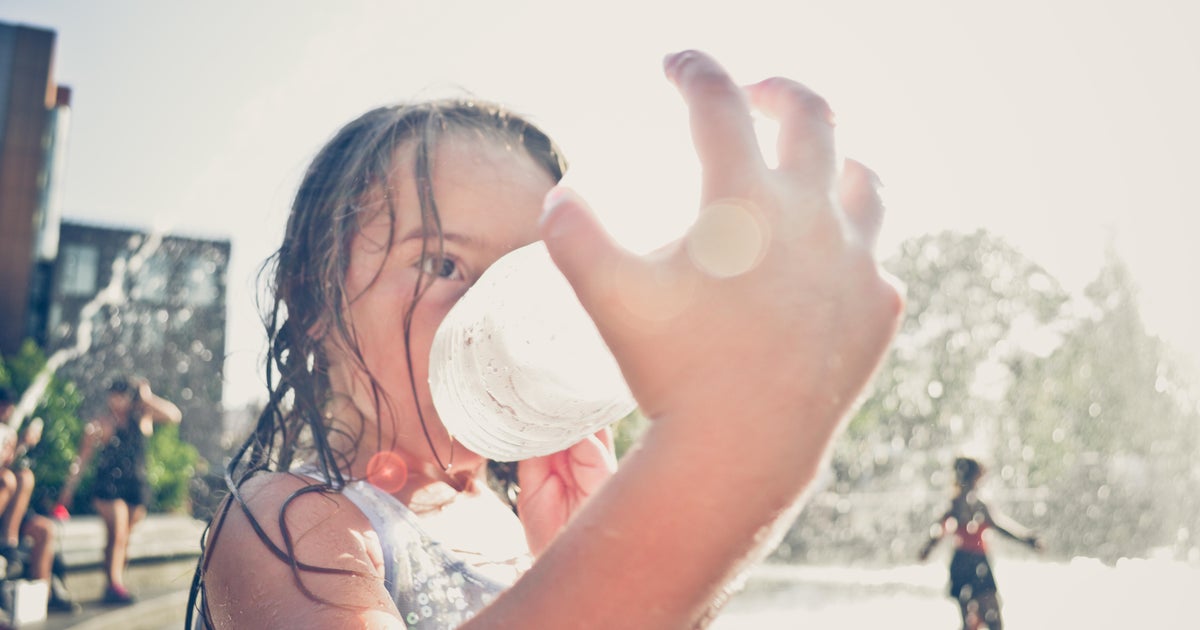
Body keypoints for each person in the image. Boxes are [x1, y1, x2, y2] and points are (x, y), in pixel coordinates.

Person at [191, 50, 904, 628]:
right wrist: (717, 465)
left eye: (533, 274)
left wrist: (599, 551)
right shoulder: (288, 525)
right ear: (315, 297)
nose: (499, 314)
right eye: (443, 264)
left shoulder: (524, 529)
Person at [57, 377, 181, 605]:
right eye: (113, 394)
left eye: (122, 395)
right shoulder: (101, 423)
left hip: (136, 484)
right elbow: (81, 460)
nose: (117, 400)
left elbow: (174, 416)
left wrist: (147, 397)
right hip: (108, 486)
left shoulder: (143, 418)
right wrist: (68, 490)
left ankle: (112, 583)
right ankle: (115, 584)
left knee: (122, 538)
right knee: (119, 531)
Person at [918, 456, 1043, 630]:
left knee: (969, 621)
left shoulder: (955, 502)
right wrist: (1026, 538)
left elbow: (939, 530)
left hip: (960, 562)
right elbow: (999, 527)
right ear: (976, 476)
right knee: (992, 620)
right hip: (977, 563)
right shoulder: (976, 504)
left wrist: (928, 548)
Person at [0, 387, 79, 615]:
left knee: (45, 529)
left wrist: (23, 445)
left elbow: (10, 465)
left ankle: (41, 600)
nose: (6, 411)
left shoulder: (9, 433)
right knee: (9, 480)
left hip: (11, 511)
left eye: (8, 406)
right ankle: (8, 542)